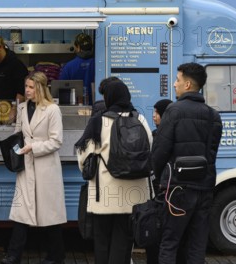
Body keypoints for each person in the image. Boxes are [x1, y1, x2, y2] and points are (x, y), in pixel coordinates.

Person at [152, 62, 222, 264]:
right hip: (205, 189)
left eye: (178, 80)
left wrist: (156, 178)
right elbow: (212, 153)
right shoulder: (213, 115)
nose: (175, 84)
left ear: (188, 85)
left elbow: (160, 152)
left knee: (169, 243)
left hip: (177, 190)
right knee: (196, 246)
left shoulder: (174, 111)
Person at [78, 79, 153, 264]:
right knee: (124, 241)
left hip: (104, 193)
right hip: (133, 193)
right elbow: (149, 147)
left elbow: (84, 155)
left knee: (102, 240)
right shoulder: (139, 118)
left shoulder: (99, 121)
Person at [1, 72, 66, 264]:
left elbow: (56, 141)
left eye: (31, 87)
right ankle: (14, 255)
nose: (27, 90)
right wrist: (12, 149)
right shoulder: (22, 107)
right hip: (26, 166)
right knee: (22, 212)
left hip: (46, 167)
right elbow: (18, 134)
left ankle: (56, 256)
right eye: (26, 86)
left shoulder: (53, 109)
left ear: (40, 87)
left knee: (50, 215)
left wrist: (33, 147)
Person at [145, 98, 172, 264]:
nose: (154, 116)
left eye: (157, 113)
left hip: (163, 192)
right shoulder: (154, 135)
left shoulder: (165, 137)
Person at [0, 35, 29, 102]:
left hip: (10, 108)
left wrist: (14, 109)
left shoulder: (16, 65)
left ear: (0, 47)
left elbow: (22, 91)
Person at [59, 33, 95, 104]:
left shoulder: (69, 66)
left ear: (77, 47)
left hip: (75, 105)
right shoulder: (99, 65)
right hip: (96, 105)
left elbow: (61, 88)